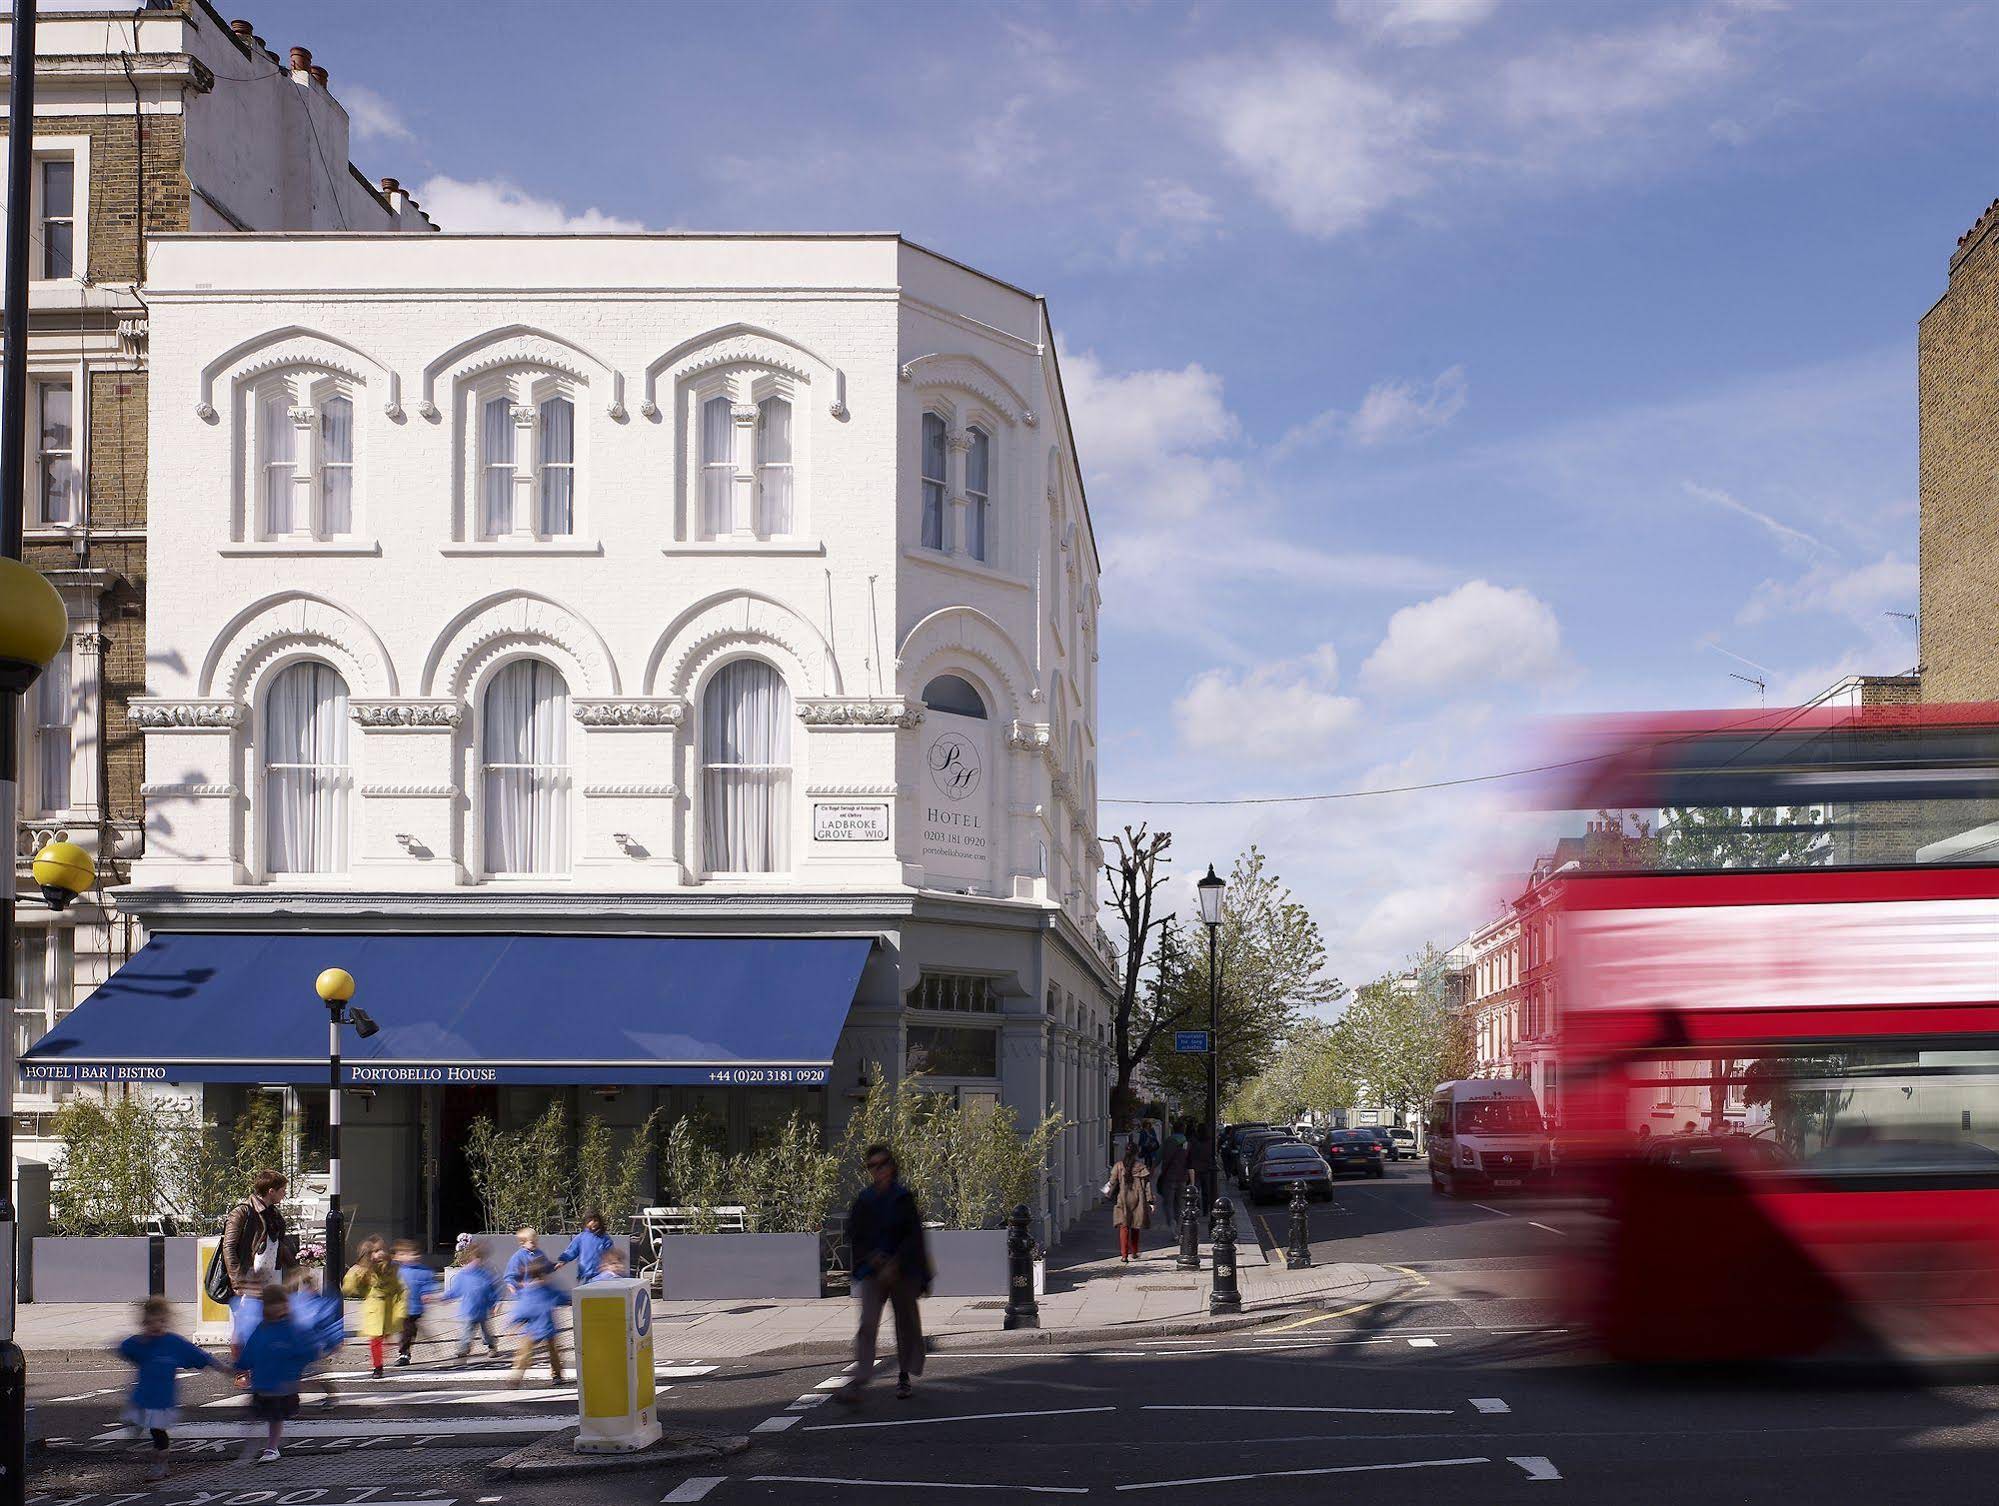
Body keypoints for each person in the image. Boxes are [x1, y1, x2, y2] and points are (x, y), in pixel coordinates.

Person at [832, 1143, 929, 1405]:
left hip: (901, 1270)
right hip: (873, 1271)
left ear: (892, 1166)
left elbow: (914, 1236)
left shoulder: (903, 1197)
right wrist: (874, 1258)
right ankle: (861, 1378)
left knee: (905, 1324)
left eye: (883, 1164)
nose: (879, 1170)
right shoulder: (864, 1200)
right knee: (868, 1324)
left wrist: (903, 1264)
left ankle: (904, 1375)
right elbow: (856, 1234)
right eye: (872, 1166)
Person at [116, 1295, 218, 1482]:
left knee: (157, 1431)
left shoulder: (173, 1342)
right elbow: (123, 1348)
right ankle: (139, 1430)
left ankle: (161, 1466)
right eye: (150, 1323)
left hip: (162, 1399)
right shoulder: (140, 1342)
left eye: (161, 1322)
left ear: (166, 1321)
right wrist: (142, 1340)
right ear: (144, 1322)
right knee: (135, 1420)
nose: (156, 1327)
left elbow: (199, 1356)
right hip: (142, 1395)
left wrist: (223, 1367)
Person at [237, 1283, 320, 1464]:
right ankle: (254, 1443)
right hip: (262, 1381)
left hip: (283, 1383)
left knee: (275, 1416)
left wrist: (301, 1363)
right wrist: (242, 1365)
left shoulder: (292, 1328)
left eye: (279, 1303)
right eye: (271, 1304)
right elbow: (251, 1350)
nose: (276, 1308)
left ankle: (272, 1447)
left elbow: (307, 1348)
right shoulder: (262, 1328)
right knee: (255, 1413)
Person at [221, 1169, 291, 1358]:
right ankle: (241, 1371)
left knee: (268, 1322)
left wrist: (296, 1268)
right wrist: (238, 1282)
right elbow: (228, 1248)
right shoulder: (242, 1212)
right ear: (271, 1191)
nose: (285, 1194)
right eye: (282, 1190)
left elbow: (278, 1245)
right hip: (248, 1279)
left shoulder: (273, 1214)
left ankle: (262, 1365)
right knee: (243, 1325)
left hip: (270, 1277)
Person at [341, 1235, 408, 1379]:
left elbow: (400, 1288)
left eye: (380, 1250)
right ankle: (378, 1366)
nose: (378, 1254)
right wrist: (356, 1272)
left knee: (387, 1336)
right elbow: (349, 1288)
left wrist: (402, 1308)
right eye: (374, 1251)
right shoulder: (363, 1269)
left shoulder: (391, 1268)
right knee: (375, 1340)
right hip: (374, 1308)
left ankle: (388, 1357)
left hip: (390, 1307)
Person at [286, 1268, 346, 1406]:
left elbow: (329, 1323)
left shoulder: (316, 1303)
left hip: (312, 1347)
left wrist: (335, 1341)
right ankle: (293, 1399)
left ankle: (331, 1395)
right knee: (295, 1374)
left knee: (316, 1374)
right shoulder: (295, 1302)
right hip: (301, 1345)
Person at [508, 1258, 570, 1386]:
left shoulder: (527, 1292)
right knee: (554, 1354)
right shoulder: (549, 1289)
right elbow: (562, 1298)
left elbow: (522, 1310)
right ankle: (557, 1375)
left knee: (524, 1353)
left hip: (532, 1329)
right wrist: (571, 1300)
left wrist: (515, 1323)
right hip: (547, 1327)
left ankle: (517, 1375)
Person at [445, 1241, 503, 1362]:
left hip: (482, 1310)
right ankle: (463, 1348)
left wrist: (495, 1303)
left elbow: (492, 1291)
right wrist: (445, 1297)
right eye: (473, 1259)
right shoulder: (463, 1275)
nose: (476, 1262)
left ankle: (491, 1346)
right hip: (468, 1310)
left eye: (479, 1259)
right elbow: (456, 1290)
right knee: (466, 1331)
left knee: (486, 1333)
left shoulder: (486, 1275)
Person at [392, 1239, 439, 1367]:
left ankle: (404, 1354)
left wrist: (426, 1293)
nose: (408, 1257)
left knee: (407, 1330)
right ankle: (405, 1349)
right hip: (398, 1307)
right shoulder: (394, 1270)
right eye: (402, 1254)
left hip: (414, 1308)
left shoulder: (423, 1271)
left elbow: (428, 1283)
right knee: (405, 1330)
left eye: (411, 1253)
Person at [1108, 1141, 1153, 1262]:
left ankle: (1124, 1255)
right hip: (1138, 1199)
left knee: (1124, 1227)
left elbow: (1112, 1182)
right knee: (1135, 1226)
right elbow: (1147, 1186)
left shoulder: (1118, 1166)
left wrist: (1106, 1193)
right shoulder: (1141, 1167)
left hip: (1123, 1199)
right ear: (1136, 1153)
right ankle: (1134, 1251)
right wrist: (1151, 1201)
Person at [553, 1211, 614, 1284]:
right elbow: (572, 1250)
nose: (593, 1223)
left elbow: (610, 1254)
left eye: (596, 1220)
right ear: (585, 1223)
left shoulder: (604, 1238)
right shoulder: (581, 1237)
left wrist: (610, 1266)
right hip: (585, 1274)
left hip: (601, 1275)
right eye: (590, 1221)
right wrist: (563, 1260)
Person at [1157, 1126, 1190, 1223]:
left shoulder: (1168, 1141)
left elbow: (1159, 1155)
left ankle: (1171, 1222)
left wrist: (1153, 1168)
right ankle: (1178, 1222)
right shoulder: (1187, 1143)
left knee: (1167, 1202)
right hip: (1182, 1176)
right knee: (1179, 1203)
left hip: (1169, 1176)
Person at [503, 1226, 545, 1295]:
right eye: (532, 1242)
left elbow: (546, 1264)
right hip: (525, 1290)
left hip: (539, 1289)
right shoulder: (518, 1256)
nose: (535, 1243)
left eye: (536, 1241)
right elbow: (511, 1272)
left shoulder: (539, 1253)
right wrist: (511, 1284)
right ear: (523, 1243)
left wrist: (552, 1266)